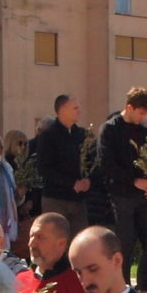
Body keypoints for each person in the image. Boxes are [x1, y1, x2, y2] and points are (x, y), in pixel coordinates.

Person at [97, 88, 147, 293]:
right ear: (129, 107)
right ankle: (122, 290)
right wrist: (134, 180)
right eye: (141, 113)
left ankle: (146, 289)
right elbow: (106, 164)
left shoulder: (144, 132)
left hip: (145, 197)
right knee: (124, 245)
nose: (143, 118)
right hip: (122, 196)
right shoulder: (109, 129)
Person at [34, 95, 92, 230]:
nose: (79, 111)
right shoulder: (48, 135)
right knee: (54, 237)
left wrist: (88, 180)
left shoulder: (81, 135)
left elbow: (91, 162)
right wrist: (71, 183)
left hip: (79, 199)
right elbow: (44, 168)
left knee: (78, 240)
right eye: (75, 108)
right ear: (63, 110)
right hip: (56, 198)